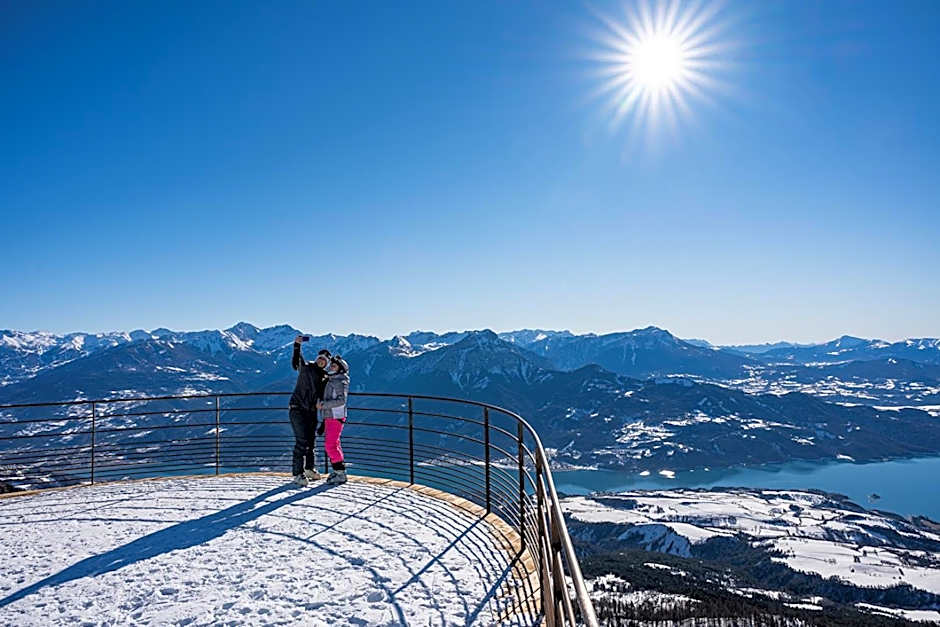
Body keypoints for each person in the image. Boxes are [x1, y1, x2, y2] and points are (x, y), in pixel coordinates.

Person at [289, 336, 330, 486]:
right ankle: (297, 474)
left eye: (324, 360)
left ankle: (309, 468)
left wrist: (324, 420)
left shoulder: (325, 377)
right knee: (301, 442)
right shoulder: (306, 367)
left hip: (312, 411)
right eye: (320, 358)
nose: (321, 361)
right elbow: (296, 361)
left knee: (311, 442)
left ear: (326, 364)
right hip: (298, 409)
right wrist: (297, 345)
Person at [318, 355, 350, 485]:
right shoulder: (334, 379)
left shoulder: (339, 381)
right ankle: (338, 471)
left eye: (334, 366)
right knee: (334, 444)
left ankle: (340, 473)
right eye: (331, 365)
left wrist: (323, 405)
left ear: (340, 369)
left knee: (330, 445)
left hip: (335, 416)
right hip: (332, 416)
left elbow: (342, 400)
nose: (331, 367)